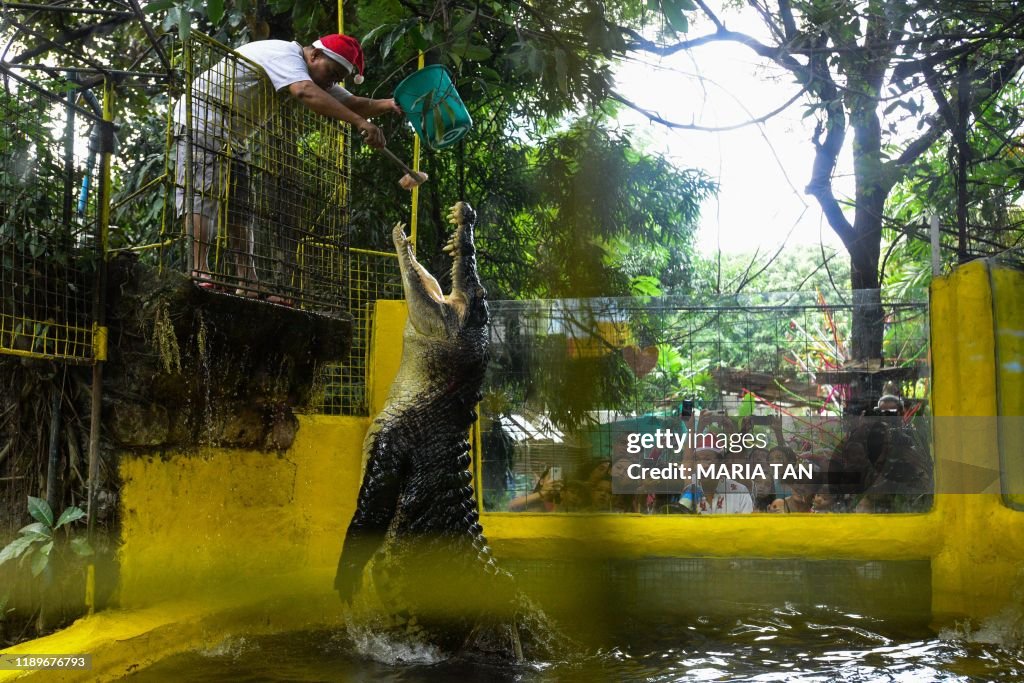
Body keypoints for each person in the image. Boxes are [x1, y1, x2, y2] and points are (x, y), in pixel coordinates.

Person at [174, 33, 402, 298]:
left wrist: (388, 104)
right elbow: (305, 92)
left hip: (234, 136)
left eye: (339, 79)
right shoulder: (285, 55)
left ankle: (247, 279)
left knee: (241, 206)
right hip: (202, 118)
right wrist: (360, 123)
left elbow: (349, 102)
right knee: (203, 193)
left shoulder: (309, 72)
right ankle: (199, 270)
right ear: (315, 55)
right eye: (333, 73)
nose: (333, 82)